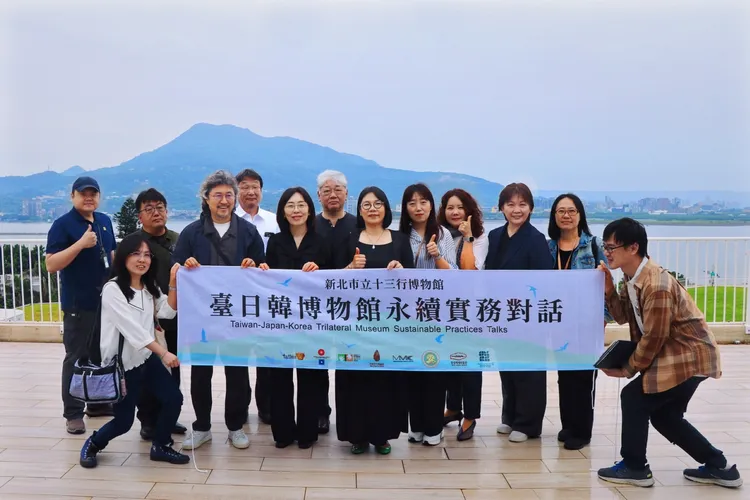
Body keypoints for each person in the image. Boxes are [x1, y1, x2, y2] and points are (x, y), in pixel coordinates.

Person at [596, 218, 742, 489]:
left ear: (633, 247)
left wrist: (627, 369)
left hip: (688, 357)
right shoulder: (631, 276)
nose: (607, 252)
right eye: (605, 246)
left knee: (634, 396)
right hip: (676, 355)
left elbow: (654, 337)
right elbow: (623, 317)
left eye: (611, 247)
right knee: (665, 416)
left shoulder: (656, 284)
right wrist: (608, 290)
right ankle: (719, 466)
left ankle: (635, 467)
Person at [173, 170, 265, 450]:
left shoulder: (248, 231)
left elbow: (263, 269)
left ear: (235, 199)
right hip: (201, 317)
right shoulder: (191, 232)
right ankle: (202, 427)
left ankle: (235, 427)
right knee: (200, 374)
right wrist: (186, 266)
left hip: (236, 316)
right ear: (206, 199)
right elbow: (176, 269)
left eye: (228, 195)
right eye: (217, 195)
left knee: (237, 374)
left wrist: (253, 266)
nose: (224, 200)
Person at [78, 232, 189, 468]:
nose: (142, 259)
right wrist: (164, 353)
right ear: (123, 257)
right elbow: (133, 331)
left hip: (146, 358)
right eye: (136, 254)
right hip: (123, 364)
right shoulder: (113, 289)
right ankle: (93, 443)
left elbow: (168, 312)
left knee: (173, 399)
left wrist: (173, 281)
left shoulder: (149, 286)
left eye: (147, 255)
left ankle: (161, 445)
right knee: (124, 421)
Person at [334, 186, 413, 455]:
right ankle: (356, 435)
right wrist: (350, 267)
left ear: (386, 208)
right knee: (356, 378)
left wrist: (402, 271)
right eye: (366, 204)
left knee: (385, 379)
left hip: (390, 324)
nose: (372, 209)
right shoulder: (348, 239)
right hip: (354, 324)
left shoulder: (400, 240)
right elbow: (332, 280)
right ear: (359, 210)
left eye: (378, 203)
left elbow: (414, 282)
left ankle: (382, 436)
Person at [258, 187, 332, 449]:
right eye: (290, 205)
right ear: (283, 211)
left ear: (310, 210)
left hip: (312, 321)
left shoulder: (322, 242)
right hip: (281, 320)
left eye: (301, 205)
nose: (296, 210)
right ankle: (283, 433)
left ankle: (307, 433)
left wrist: (319, 270)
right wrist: (263, 270)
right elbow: (267, 280)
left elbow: (333, 281)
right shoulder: (275, 242)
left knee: (310, 376)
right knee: (279, 377)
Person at [46, 176, 117, 434]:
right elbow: (51, 264)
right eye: (83, 193)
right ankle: (73, 413)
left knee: (100, 354)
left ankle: (96, 403)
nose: (89, 198)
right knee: (76, 357)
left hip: (105, 303)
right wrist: (80, 244)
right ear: (72, 196)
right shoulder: (62, 225)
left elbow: (112, 256)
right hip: (78, 303)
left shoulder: (104, 221)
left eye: (93, 193)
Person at [486, 183, 554, 443]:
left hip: (528, 315)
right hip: (501, 313)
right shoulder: (495, 236)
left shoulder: (535, 239)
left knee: (529, 370)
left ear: (531, 208)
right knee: (508, 367)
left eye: (522, 204)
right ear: (501, 208)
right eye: (511, 204)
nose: (517, 210)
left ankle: (528, 424)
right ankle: (510, 416)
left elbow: (544, 282)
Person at [547, 193, 610, 450]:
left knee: (584, 376)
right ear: (554, 216)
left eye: (571, 211)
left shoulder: (593, 245)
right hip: (559, 321)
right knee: (564, 375)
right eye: (561, 211)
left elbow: (607, 285)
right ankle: (569, 425)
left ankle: (582, 431)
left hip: (586, 323)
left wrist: (603, 318)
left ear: (580, 215)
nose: (566, 216)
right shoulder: (549, 247)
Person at [399, 183, 456, 447]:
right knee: (412, 369)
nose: (418, 207)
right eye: (412, 203)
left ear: (431, 205)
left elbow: (454, 274)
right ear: (405, 208)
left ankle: (434, 427)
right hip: (407, 313)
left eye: (423, 202)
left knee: (434, 368)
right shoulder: (400, 235)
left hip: (436, 311)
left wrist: (437, 256)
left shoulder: (443, 234)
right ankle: (417, 426)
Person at [131, 188, 188, 440]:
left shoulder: (178, 239)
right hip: (147, 321)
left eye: (160, 207)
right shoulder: (135, 244)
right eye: (149, 209)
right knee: (148, 372)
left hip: (176, 316)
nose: (156, 213)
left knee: (173, 368)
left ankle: (168, 417)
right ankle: (148, 421)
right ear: (139, 216)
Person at [437, 188, 487, 441]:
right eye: (450, 208)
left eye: (460, 207)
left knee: (470, 364)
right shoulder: (442, 236)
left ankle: (471, 415)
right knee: (450, 361)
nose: (455, 212)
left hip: (471, 310)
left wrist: (468, 238)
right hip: (445, 309)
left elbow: (468, 270)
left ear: (469, 210)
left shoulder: (479, 238)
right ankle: (454, 407)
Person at [313, 169, 358, 434]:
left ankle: (350, 416)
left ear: (346, 194)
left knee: (348, 360)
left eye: (338, 189)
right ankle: (320, 412)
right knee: (317, 361)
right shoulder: (309, 225)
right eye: (327, 190)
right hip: (315, 307)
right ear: (318, 195)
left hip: (350, 307)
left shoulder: (358, 225)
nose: (333, 195)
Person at [235, 168, 279, 426]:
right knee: (238, 356)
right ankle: (239, 408)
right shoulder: (229, 221)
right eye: (245, 186)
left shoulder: (274, 221)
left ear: (262, 191)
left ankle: (267, 407)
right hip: (237, 299)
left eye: (255, 187)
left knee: (267, 354)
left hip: (269, 298)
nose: (251, 192)